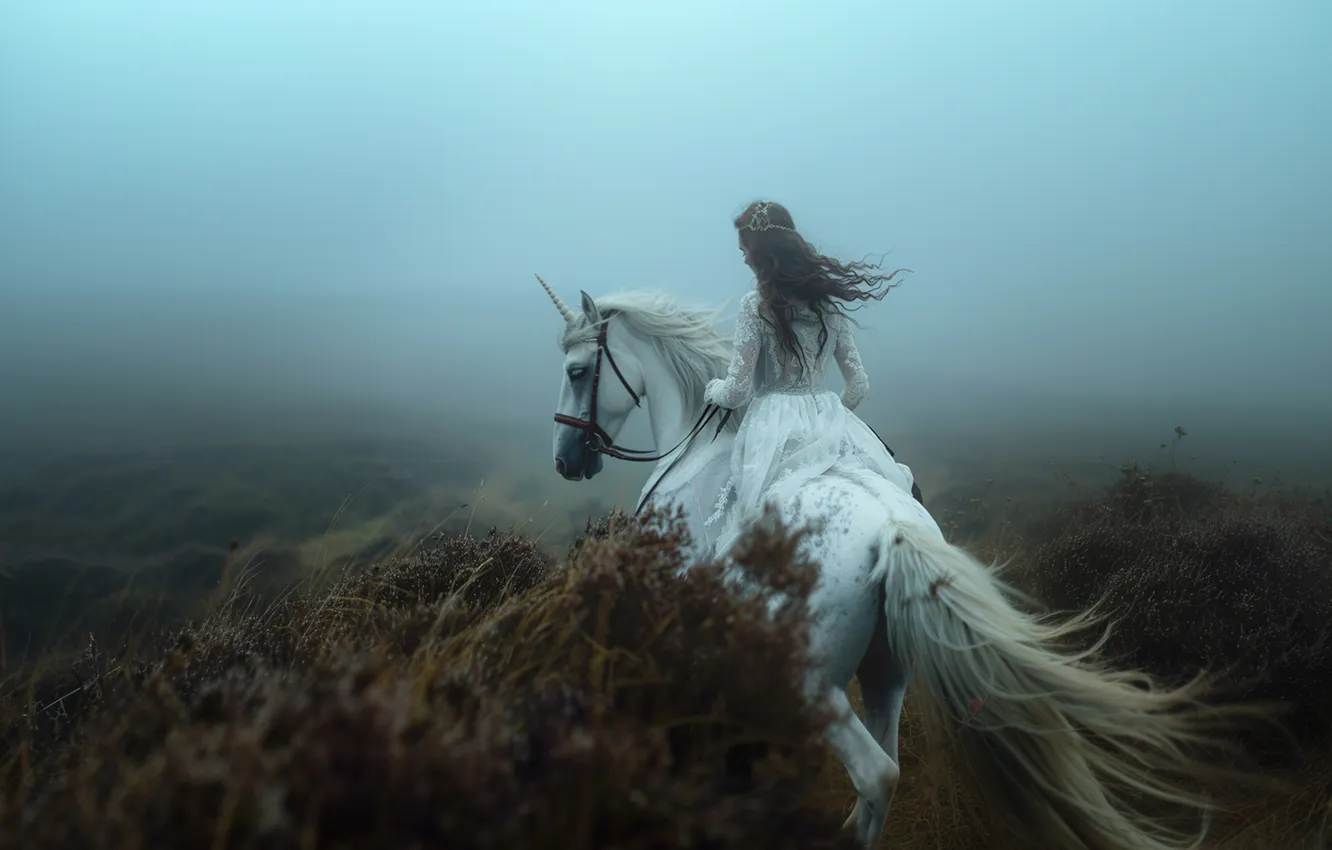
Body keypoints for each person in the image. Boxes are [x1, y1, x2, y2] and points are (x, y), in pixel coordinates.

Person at [700, 199, 922, 559]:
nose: (742, 258)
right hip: (827, 414)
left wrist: (713, 390)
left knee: (740, 514)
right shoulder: (828, 307)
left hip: (772, 425)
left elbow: (738, 390)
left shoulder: (752, 306)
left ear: (761, 253)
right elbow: (858, 384)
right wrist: (836, 416)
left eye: (744, 250)